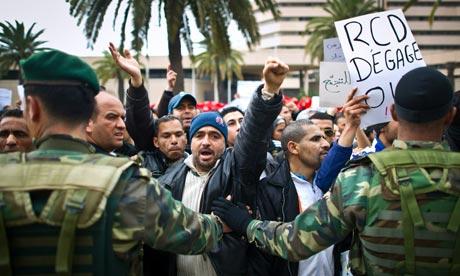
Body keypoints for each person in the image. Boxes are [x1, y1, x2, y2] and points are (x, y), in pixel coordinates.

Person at [213, 67, 460, 275]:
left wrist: (246, 224)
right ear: (450, 116)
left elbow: (297, 241)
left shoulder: (362, 178)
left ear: (393, 112)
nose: (323, 143)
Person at [0, 50, 223, 275]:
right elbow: (192, 234)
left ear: (32, 107)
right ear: (89, 113)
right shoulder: (124, 181)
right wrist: (223, 222)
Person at [156, 57, 287, 276]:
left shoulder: (237, 169)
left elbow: (252, 137)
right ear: (191, 141)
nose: (206, 141)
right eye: (199, 135)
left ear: (225, 142)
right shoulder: (169, 179)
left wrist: (268, 92)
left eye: (215, 135)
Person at [249, 89, 369, 276]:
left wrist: (352, 125)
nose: (325, 144)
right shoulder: (270, 191)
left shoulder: (327, 185)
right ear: (293, 147)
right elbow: (263, 255)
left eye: (324, 137)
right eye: (315, 139)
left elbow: (338, 155)